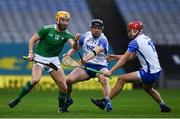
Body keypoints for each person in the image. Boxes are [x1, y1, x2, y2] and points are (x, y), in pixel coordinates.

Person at [91, 20, 172, 112]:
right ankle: (163, 105)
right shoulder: (146, 38)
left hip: (148, 72)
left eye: (130, 30)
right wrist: (115, 57)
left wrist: (111, 71)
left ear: (136, 30)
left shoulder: (135, 42)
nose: (129, 33)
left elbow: (124, 60)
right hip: (156, 71)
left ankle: (104, 102)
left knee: (121, 79)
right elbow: (132, 57)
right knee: (148, 89)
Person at [8, 11, 79, 111]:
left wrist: (75, 41)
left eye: (67, 21)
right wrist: (31, 53)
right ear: (57, 20)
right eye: (63, 20)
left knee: (64, 88)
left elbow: (74, 47)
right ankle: (17, 99)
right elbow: (32, 40)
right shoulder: (46, 29)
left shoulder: (67, 34)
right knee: (35, 80)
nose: (65, 23)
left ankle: (61, 108)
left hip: (53, 61)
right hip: (39, 58)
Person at [59, 19, 112, 112]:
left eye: (99, 28)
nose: (97, 30)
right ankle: (68, 99)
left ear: (102, 29)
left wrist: (85, 58)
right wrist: (68, 54)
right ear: (91, 28)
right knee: (68, 80)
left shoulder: (103, 40)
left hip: (100, 66)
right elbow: (75, 48)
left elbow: (95, 51)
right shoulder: (85, 36)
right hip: (86, 67)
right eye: (95, 28)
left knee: (104, 80)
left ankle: (107, 103)